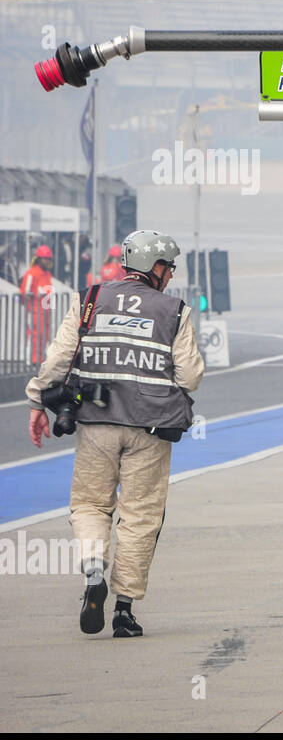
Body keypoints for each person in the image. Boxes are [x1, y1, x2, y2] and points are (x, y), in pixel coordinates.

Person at [25, 229, 203, 638]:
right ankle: (123, 611)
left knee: (89, 505)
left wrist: (37, 403)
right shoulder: (174, 310)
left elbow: (59, 358)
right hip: (150, 427)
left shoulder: (89, 300)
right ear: (153, 267)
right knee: (140, 517)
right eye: (168, 266)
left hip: (95, 422)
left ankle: (93, 573)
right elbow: (190, 377)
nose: (171, 275)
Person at [19, 244, 56, 364]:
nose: (47, 261)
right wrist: (29, 308)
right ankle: (31, 361)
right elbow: (24, 292)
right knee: (34, 336)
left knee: (44, 336)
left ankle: (39, 360)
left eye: (48, 259)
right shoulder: (31, 273)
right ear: (39, 259)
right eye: (45, 259)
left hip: (45, 311)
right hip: (34, 311)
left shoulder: (47, 274)